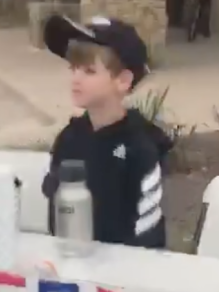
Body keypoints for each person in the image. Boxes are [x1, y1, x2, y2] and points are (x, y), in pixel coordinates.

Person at [40, 15, 174, 249]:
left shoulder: (140, 147)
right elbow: (55, 214)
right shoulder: (68, 139)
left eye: (89, 71)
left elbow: (147, 234)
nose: (75, 79)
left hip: (125, 276)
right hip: (72, 268)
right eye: (74, 68)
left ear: (122, 81)